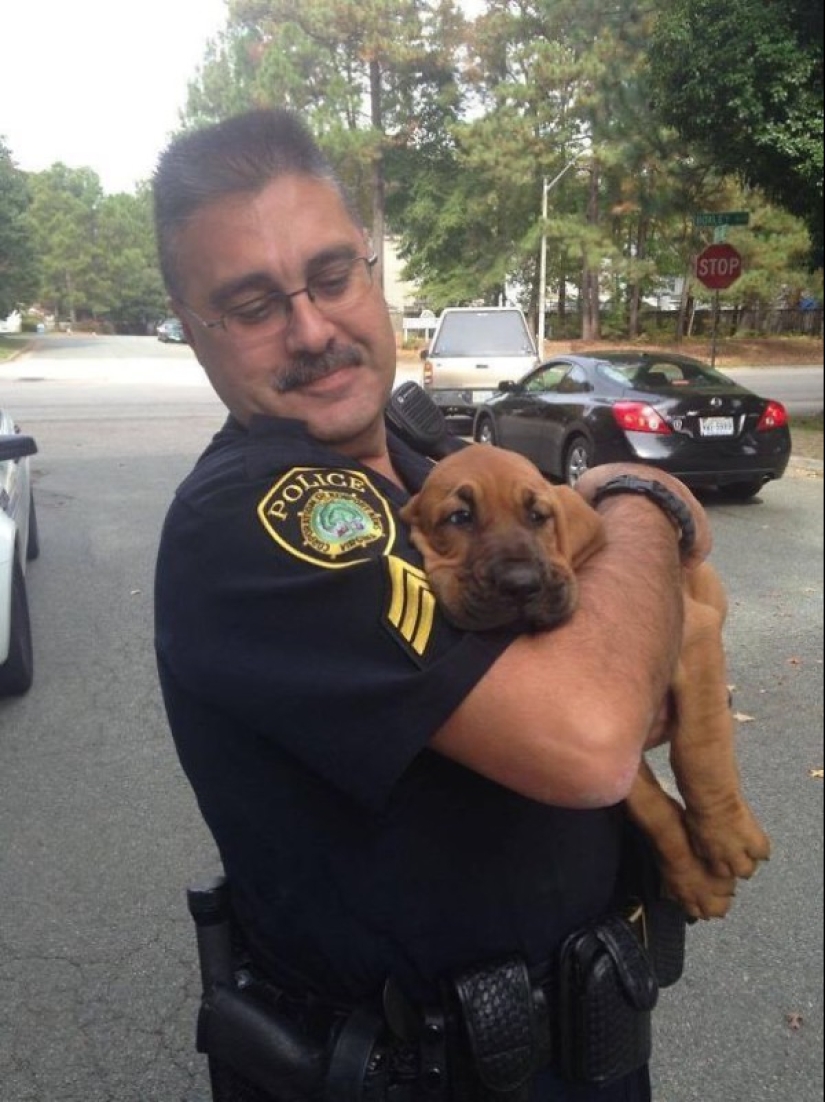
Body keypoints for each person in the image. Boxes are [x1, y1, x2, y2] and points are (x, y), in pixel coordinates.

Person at [152, 109, 708, 1101]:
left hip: (590, 1040)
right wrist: (641, 502)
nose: (313, 329)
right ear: (191, 325)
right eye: (251, 302)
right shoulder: (264, 516)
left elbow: (652, 645)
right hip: (419, 1072)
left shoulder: (424, 458)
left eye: (333, 275)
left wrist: (639, 530)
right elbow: (593, 734)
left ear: (370, 274)